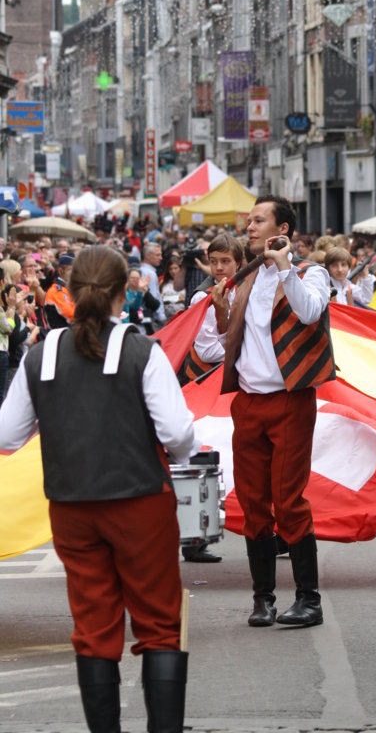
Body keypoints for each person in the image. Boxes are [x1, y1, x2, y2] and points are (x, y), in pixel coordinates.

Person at [0, 245, 196, 733]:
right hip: (140, 500)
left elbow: (7, 435)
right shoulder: (142, 350)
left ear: (72, 289)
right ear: (121, 292)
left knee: (93, 623)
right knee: (159, 621)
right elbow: (177, 433)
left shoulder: (42, 355)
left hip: (71, 505)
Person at [221, 194, 335, 628]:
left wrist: (286, 266)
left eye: (258, 221)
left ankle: (309, 599)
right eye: (249, 221)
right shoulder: (246, 279)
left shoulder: (311, 273)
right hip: (248, 403)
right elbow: (224, 344)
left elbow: (309, 313)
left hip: (290, 401)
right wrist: (217, 311)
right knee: (253, 504)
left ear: (282, 230)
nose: (249, 227)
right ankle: (263, 599)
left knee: (288, 501)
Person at [179, 232, 244, 564]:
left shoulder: (245, 290)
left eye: (226, 261)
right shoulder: (201, 297)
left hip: (234, 384)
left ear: (239, 263)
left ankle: (271, 531)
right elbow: (205, 349)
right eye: (214, 261)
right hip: (204, 386)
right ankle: (194, 538)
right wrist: (246, 351)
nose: (219, 268)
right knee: (204, 461)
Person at [44, 252, 76, 329]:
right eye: (71, 270)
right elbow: (72, 316)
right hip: (61, 334)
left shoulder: (71, 288)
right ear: (60, 271)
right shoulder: (56, 291)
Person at [139, 243, 166, 328]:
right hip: (153, 319)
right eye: (157, 255)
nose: (161, 258)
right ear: (147, 256)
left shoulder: (141, 270)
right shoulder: (150, 274)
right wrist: (161, 317)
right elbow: (154, 297)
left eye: (161, 255)